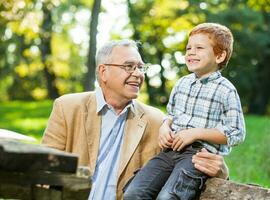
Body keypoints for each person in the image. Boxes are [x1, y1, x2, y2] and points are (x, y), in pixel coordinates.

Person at [41, 39, 229, 200]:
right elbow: (43, 171)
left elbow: (186, 159)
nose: (138, 74)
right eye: (129, 66)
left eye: (140, 67)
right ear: (103, 71)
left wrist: (220, 171)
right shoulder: (67, 107)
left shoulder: (157, 121)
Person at [123, 23, 246, 200]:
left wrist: (195, 133)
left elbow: (236, 133)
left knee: (168, 197)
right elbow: (171, 115)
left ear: (219, 55)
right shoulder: (182, 84)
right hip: (169, 151)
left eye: (199, 48)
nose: (191, 52)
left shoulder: (225, 90)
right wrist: (165, 126)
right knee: (133, 193)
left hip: (198, 156)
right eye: (188, 48)